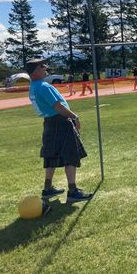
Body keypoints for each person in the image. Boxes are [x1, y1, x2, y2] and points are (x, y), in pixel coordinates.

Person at [27, 58, 92, 202]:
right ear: (36, 70)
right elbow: (58, 107)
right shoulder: (44, 86)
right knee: (70, 154)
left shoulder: (33, 87)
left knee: (51, 155)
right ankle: (73, 191)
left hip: (49, 123)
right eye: (43, 66)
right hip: (61, 121)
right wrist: (75, 117)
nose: (46, 69)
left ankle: (47, 189)